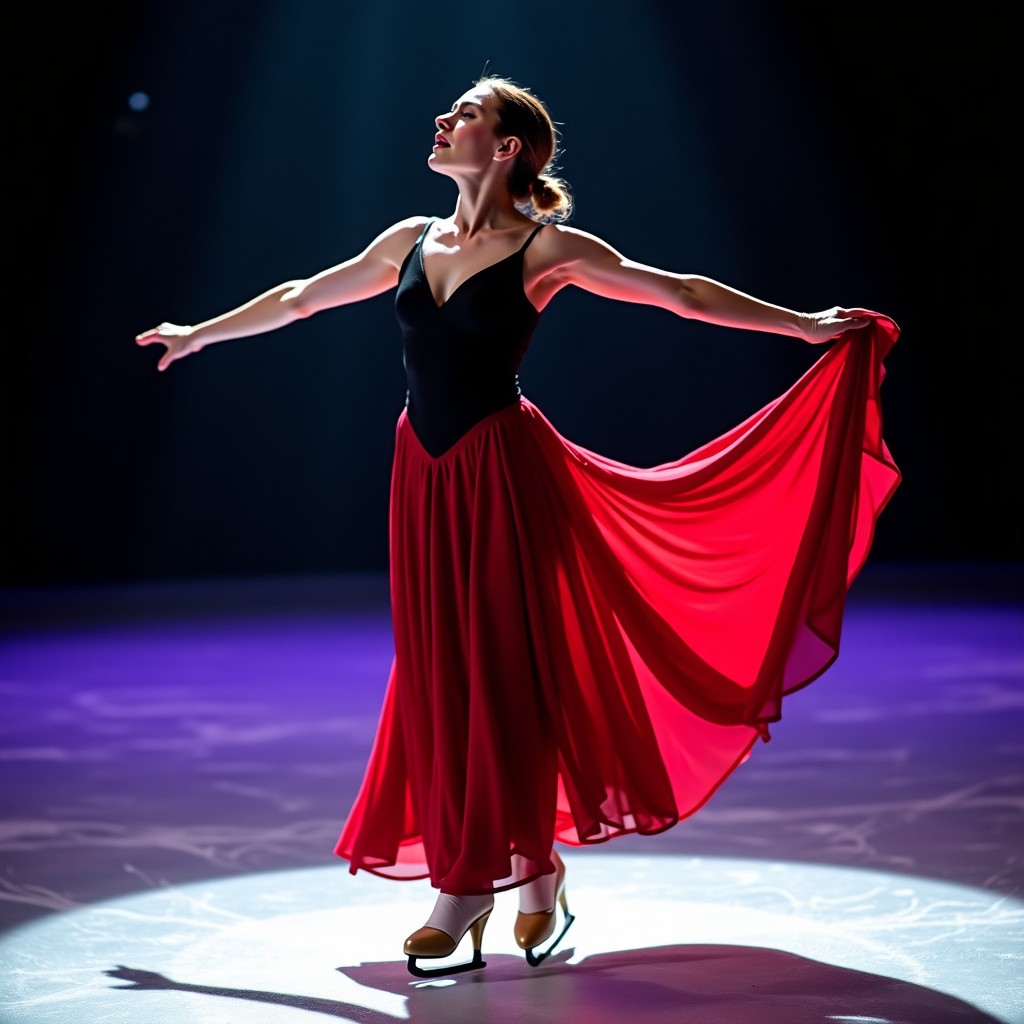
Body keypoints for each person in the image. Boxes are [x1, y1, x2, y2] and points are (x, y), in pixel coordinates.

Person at [137, 74, 900, 977]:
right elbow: (303, 293)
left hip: (502, 471)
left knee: (505, 668)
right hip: (421, 473)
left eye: (464, 113)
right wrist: (198, 332)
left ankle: (464, 892)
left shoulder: (546, 250)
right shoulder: (407, 241)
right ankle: (536, 877)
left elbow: (682, 293)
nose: (442, 117)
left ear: (507, 149)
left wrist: (807, 327)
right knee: (442, 670)